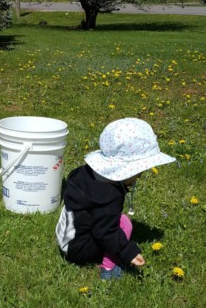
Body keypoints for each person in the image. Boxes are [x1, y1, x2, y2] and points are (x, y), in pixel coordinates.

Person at [55, 118, 176, 280]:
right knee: (124, 223)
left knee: (114, 221)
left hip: (66, 238)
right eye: (138, 171)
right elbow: (105, 232)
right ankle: (108, 268)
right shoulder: (108, 196)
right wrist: (129, 252)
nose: (139, 176)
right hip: (80, 250)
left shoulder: (83, 174)